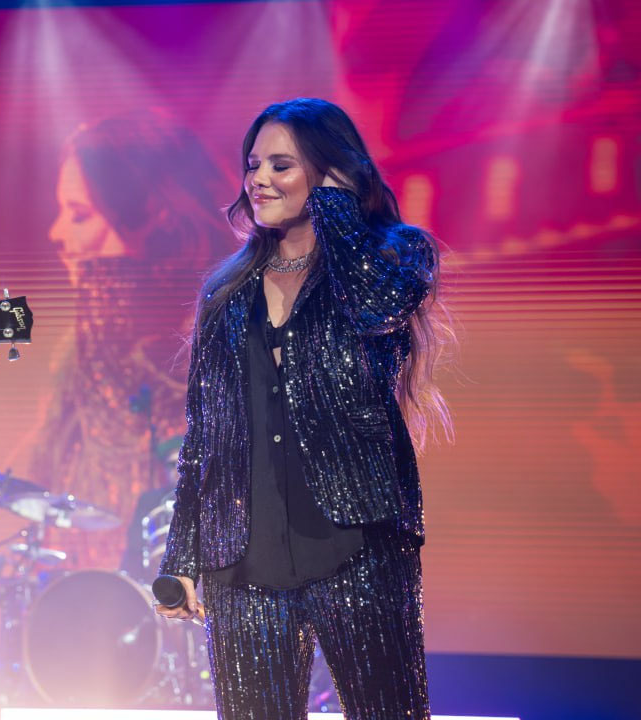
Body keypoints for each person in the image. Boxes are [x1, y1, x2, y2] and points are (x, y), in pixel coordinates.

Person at [155, 98, 453, 720]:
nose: (258, 179)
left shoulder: (394, 257)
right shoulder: (227, 292)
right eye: (253, 164)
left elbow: (375, 310)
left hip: (358, 547)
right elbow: (204, 438)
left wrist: (338, 211)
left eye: (282, 166)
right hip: (243, 561)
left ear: (331, 174)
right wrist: (183, 557)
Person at [33, 108, 229, 569]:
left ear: (157, 224)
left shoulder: (222, 342)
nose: (56, 234)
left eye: (79, 215)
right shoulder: (76, 353)